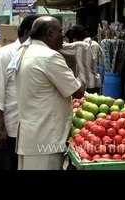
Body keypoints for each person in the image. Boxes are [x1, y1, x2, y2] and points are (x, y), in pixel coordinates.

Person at [13, 16, 85, 170]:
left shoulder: (23, 52)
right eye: (60, 32)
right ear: (50, 34)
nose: (63, 37)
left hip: (30, 135)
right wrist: (76, 74)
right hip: (46, 138)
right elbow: (77, 92)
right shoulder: (49, 57)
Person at [0, 14, 39, 170]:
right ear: (25, 32)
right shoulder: (5, 55)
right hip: (10, 128)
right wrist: (1, 128)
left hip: (30, 129)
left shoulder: (37, 55)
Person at [60, 24, 104, 94]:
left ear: (74, 38)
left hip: (85, 84)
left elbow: (61, 47)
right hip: (96, 82)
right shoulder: (95, 44)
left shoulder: (79, 45)